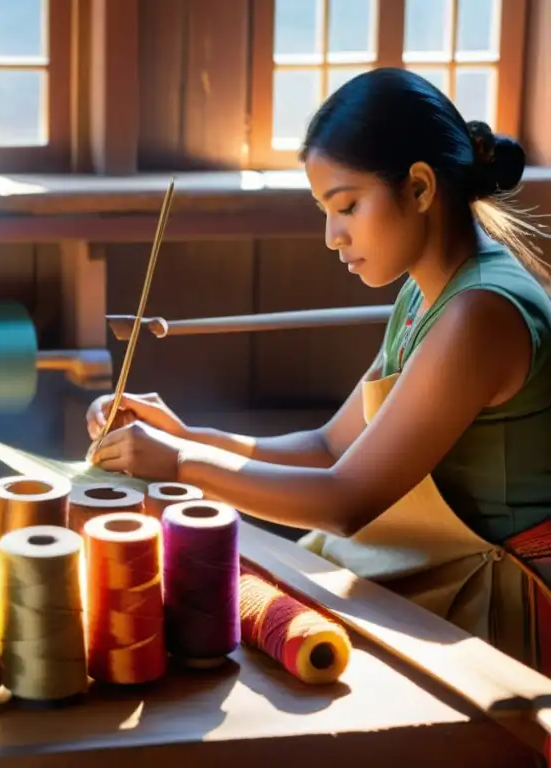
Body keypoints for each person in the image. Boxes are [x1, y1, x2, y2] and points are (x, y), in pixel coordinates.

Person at [87, 67, 551, 671]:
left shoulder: (479, 314)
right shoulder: (427, 295)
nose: (333, 237)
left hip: (503, 607)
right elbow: (329, 445)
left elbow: (344, 500)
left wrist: (179, 464)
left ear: (418, 188)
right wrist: (183, 435)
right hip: (443, 570)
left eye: (347, 206)